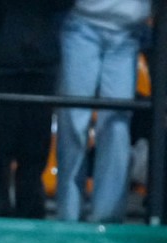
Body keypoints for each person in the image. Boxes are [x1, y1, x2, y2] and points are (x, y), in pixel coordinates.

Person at [54, 0, 148, 223]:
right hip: (81, 25)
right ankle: (68, 219)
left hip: (128, 33)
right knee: (74, 123)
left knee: (117, 127)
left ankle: (106, 221)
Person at [0, 0, 66, 219]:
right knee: (1, 151)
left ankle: (31, 218)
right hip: (5, 63)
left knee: (36, 151)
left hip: (42, 64)